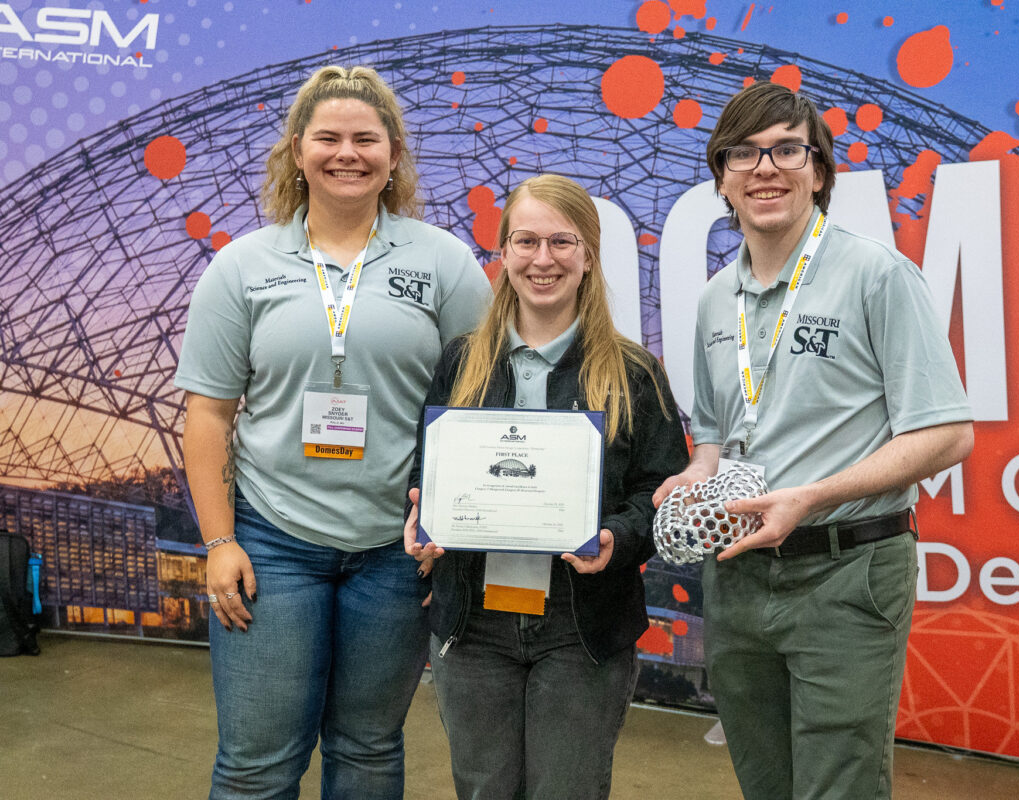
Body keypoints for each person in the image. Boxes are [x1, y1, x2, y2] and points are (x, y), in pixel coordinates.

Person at [174, 65, 491, 799]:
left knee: (369, 750)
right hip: (272, 544)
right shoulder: (242, 267)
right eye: (328, 138)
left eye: (365, 139)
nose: (346, 153)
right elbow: (209, 414)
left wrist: (446, 518)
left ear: (393, 154)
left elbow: (478, 401)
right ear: (296, 149)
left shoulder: (440, 261)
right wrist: (220, 543)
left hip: (393, 550)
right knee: (257, 763)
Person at [652, 81, 974, 799]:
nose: (765, 168)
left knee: (838, 788)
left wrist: (812, 496)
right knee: (765, 783)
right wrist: (695, 475)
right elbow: (714, 440)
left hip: (845, 571)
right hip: (737, 579)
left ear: (819, 172)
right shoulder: (713, 300)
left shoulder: (876, 275)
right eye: (744, 153)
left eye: (787, 150)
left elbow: (948, 434)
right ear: (722, 179)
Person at [404, 174, 689, 799]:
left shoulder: (634, 372)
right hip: (473, 624)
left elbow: (662, 491)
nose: (542, 260)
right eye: (525, 241)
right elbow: (427, 471)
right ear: (502, 253)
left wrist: (619, 533)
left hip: (579, 625)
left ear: (587, 255)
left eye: (562, 242)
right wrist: (423, 518)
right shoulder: (459, 362)